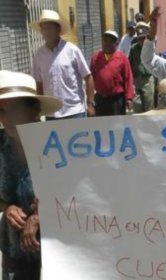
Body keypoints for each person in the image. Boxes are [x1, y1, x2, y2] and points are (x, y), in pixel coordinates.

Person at [0, 70, 62, 280]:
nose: (6, 119)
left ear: (34, 110)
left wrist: (39, 216)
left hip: (60, 247)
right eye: (1, 111)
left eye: (13, 109)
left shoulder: (60, 146)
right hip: (14, 248)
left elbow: (79, 193)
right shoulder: (1, 145)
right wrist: (6, 208)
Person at [31, 9, 95, 119]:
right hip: (51, 114)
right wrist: (39, 108)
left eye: (49, 28)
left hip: (74, 112)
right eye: (44, 28)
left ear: (58, 30)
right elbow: (39, 84)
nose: (46, 32)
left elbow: (88, 77)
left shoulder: (72, 50)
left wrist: (90, 104)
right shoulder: (38, 55)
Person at [90, 30, 135, 116]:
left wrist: (129, 98)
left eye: (111, 41)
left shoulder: (122, 58)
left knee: (117, 126)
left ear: (116, 43)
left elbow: (128, 78)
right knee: (101, 126)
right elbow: (91, 79)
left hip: (116, 100)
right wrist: (90, 100)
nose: (107, 43)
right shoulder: (95, 58)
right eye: (105, 40)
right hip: (100, 99)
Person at [128, 26, 155, 113]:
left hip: (147, 79)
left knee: (149, 105)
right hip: (136, 80)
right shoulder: (133, 48)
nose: (142, 41)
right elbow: (129, 63)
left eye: (144, 38)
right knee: (137, 104)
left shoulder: (151, 47)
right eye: (140, 38)